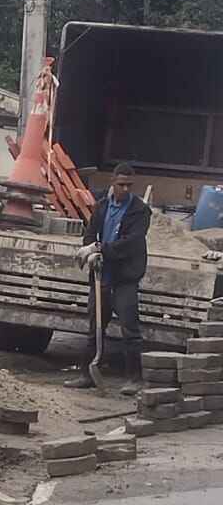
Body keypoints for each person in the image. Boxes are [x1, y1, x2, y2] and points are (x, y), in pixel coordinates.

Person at [64, 163, 149, 395]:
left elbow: (131, 243)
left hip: (125, 279)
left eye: (128, 185)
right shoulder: (101, 207)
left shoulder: (140, 211)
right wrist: (90, 250)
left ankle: (135, 378)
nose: (124, 189)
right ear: (113, 182)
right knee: (96, 327)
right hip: (102, 276)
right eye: (121, 184)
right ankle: (87, 374)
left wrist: (100, 249)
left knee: (129, 329)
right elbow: (90, 234)